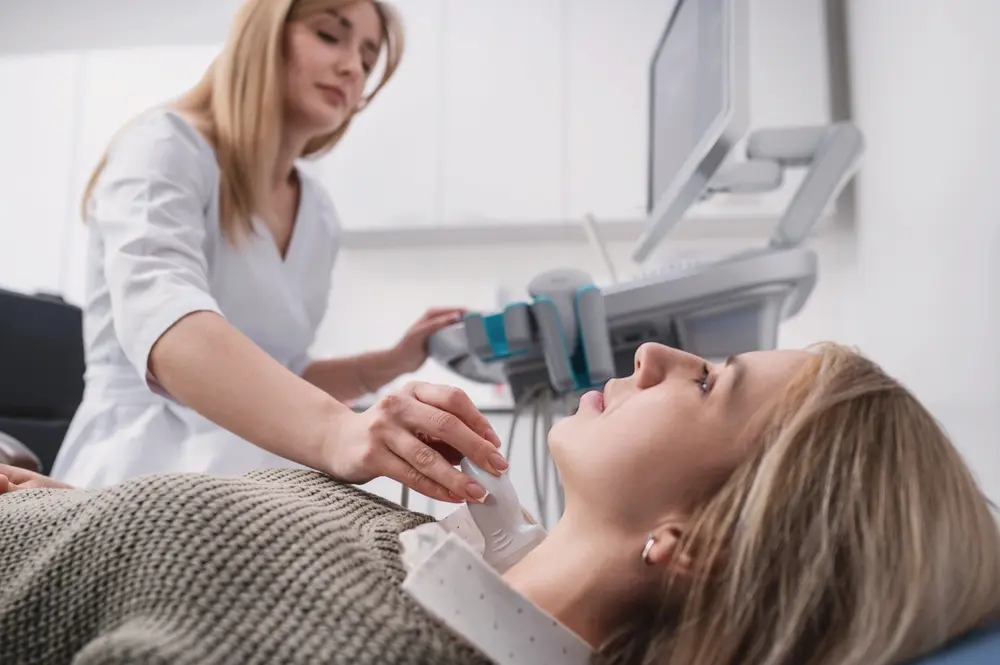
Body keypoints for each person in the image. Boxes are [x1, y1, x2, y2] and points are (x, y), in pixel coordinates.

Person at [3, 342, 999, 665]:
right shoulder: (446, 566)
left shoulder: (361, 639)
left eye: (708, 383)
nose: (653, 354)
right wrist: (91, 520)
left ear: (698, 538)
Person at [49, 0, 508, 505]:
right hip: (139, 475)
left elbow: (281, 369)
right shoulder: (163, 145)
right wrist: (342, 434)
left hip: (265, 483)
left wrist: (389, 362)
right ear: (262, 35)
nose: (352, 66)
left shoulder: (319, 214)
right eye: (331, 36)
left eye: (367, 56)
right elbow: (168, 332)